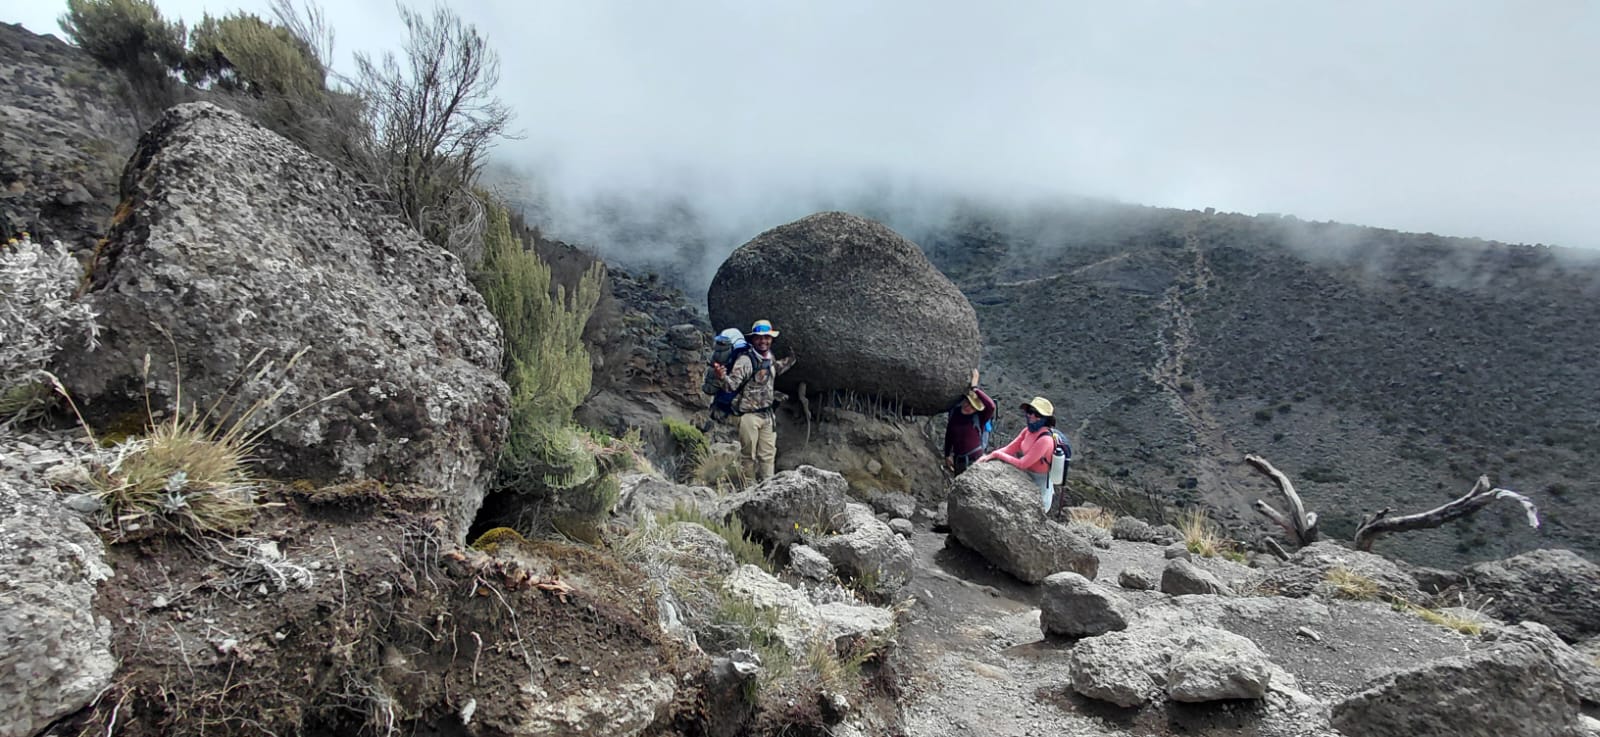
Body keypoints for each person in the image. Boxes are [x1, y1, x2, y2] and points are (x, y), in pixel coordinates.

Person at [713, 319, 796, 481]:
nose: (763, 341)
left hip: (767, 415)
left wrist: (792, 359)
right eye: (759, 337)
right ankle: (747, 490)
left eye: (766, 337)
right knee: (748, 456)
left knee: (768, 456)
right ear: (752, 339)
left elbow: (774, 370)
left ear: (771, 339)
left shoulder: (770, 356)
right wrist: (722, 377)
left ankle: (768, 489)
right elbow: (732, 385)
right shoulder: (745, 360)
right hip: (749, 416)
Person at [979, 396, 1058, 513]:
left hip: (1039, 485)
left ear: (1046, 419)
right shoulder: (1027, 431)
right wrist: (990, 456)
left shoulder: (1045, 440)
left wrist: (997, 454)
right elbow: (1011, 448)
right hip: (1026, 477)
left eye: (1037, 414)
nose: (1031, 416)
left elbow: (1022, 464)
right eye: (1030, 412)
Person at [942, 369, 995, 474]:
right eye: (968, 402)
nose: (968, 407)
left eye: (973, 406)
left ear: (976, 409)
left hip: (975, 460)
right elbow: (949, 435)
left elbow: (991, 406)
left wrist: (975, 389)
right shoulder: (955, 412)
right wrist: (947, 455)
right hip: (959, 461)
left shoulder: (979, 418)